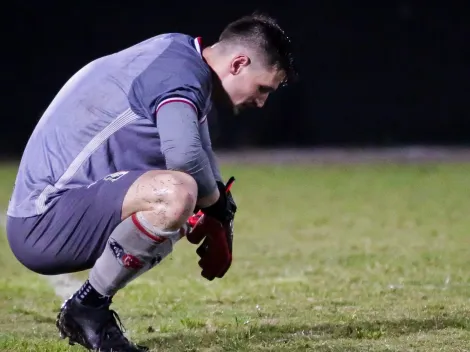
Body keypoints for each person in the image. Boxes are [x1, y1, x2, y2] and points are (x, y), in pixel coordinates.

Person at [6, 12, 297, 352]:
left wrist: (221, 214)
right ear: (238, 63)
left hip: (59, 205)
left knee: (186, 193)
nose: (261, 102)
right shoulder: (180, 75)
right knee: (178, 194)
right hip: (43, 220)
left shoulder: (180, 52)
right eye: (262, 88)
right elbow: (185, 158)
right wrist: (214, 207)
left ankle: (88, 307)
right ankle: (87, 309)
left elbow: (200, 150)